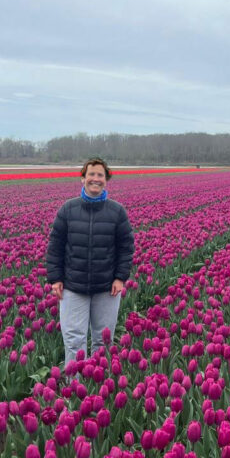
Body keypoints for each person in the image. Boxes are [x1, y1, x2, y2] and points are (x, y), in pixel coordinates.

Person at [46, 157, 135, 369]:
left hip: (106, 288)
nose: (95, 179)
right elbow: (55, 245)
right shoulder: (68, 210)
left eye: (100, 175)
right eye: (91, 174)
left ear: (106, 180)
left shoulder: (117, 212)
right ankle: (73, 391)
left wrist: (120, 277)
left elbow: (126, 247)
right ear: (83, 179)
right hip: (73, 287)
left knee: (102, 342)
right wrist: (55, 278)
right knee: (74, 340)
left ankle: (99, 390)